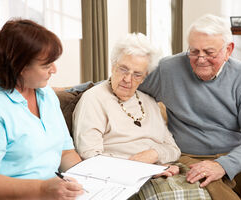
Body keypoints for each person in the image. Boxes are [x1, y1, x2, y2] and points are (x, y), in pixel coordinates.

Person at [139, 14, 241, 200]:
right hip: (189, 157)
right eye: (193, 51)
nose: (200, 59)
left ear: (228, 50)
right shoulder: (168, 69)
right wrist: (82, 91)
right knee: (206, 179)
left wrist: (223, 165)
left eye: (209, 53)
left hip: (237, 155)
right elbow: (125, 82)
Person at [72, 33, 211, 200]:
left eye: (137, 74)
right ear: (113, 65)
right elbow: (90, 156)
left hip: (159, 171)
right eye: (123, 69)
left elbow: (173, 150)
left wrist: (154, 155)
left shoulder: (149, 102)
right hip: (121, 179)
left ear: (145, 76)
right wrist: (138, 166)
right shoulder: (93, 99)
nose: (127, 79)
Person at [0, 19, 84, 199]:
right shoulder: (1, 108)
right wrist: (41, 190)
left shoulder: (46, 95)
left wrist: (89, 180)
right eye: (46, 65)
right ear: (20, 67)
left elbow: (65, 152)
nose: (54, 70)